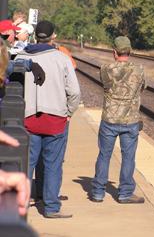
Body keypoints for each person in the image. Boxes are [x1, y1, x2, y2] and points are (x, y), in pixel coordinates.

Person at [15, 20, 81, 218]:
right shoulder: (61, 59)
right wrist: (69, 112)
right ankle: (51, 206)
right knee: (53, 164)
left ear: (35, 35)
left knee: (27, 164)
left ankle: (21, 204)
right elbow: (75, 92)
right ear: (53, 36)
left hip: (27, 119)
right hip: (56, 119)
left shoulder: (20, 56)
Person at [91, 36, 146, 204]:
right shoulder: (139, 69)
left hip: (109, 119)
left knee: (104, 155)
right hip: (130, 120)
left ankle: (98, 192)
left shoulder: (105, 69)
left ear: (114, 52)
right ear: (129, 51)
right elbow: (142, 87)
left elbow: (106, 85)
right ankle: (125, 193)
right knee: (128, 157)